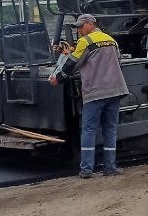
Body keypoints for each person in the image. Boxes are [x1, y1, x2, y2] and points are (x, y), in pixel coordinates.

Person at [49, 13, 128, 178]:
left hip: (95, 93)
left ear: (91, 24)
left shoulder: (86, 41)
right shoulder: (111, 40)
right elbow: (117, 63)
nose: (78, 30)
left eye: (81, 26)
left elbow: (72, 64)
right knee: (110, 130)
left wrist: (58, 78)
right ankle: (110, 168)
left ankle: (86, 170)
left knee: (89, 130)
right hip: (115, 90)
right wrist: (70, 50)